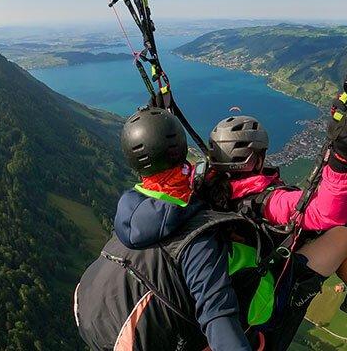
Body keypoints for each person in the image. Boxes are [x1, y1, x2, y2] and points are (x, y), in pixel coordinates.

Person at [74, 107, 261, 351]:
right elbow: (218, 317)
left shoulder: (131, 213)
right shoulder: (197, 235)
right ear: (181, 150)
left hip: (98, 329)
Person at [202, 114, 347, 348]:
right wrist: (341, 161)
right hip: (270, 287)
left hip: (228, 283)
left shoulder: (203, 190)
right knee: (344, 234)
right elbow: (327, 213)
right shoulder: (270, 202)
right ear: (258, 158)